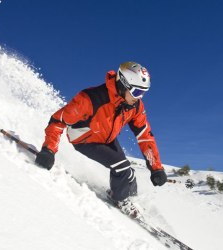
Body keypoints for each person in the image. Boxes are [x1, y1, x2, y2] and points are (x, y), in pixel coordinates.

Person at [35, 61, 167, 213]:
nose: (139, 98)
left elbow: (145, 136)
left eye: (143, 93)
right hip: (85, 139)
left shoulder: (134, 106)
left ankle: (131, 199)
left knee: (129, 173)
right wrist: (48, 150)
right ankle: (121, 200)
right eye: (137, 92)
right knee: (122, 167)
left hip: (106, 138)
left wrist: (156, 168)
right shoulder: (90, 98)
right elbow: (57, 121)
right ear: (124, 84)